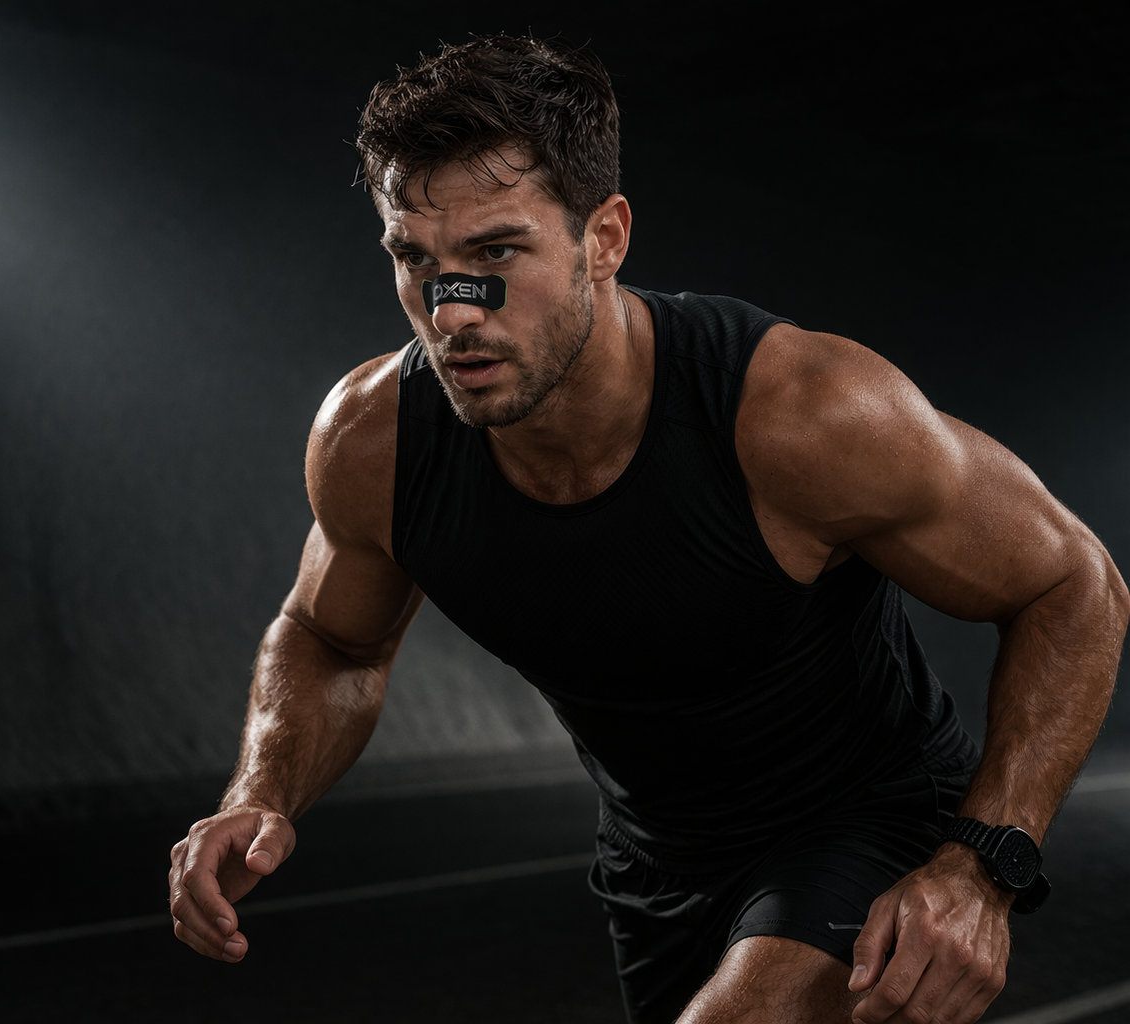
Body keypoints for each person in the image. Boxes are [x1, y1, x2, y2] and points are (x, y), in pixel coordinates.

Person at [168, 35, 1128, 1024]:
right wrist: (261, 790)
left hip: (869, 823)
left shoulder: (803, 414)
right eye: (416, 260)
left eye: (496, 252)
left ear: (605, 238)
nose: (450, 312)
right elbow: (332, 638)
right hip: (653, 866)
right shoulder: (376, 443)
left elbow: (1074, 583)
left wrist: (983, 868)